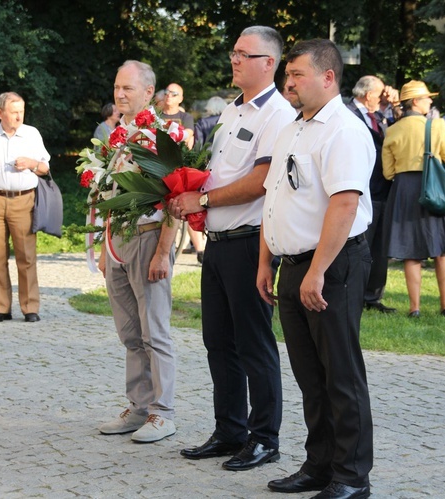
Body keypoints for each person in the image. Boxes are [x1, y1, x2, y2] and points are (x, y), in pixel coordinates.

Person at [170, 26, 294, 472]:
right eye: (234, 52)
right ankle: (229, 430)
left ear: (269, 63)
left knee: (254, 344)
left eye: (245, 54)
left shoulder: (277, 115)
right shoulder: (230, 111)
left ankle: (265, 439)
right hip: (218, 244)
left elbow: (260, 181)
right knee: (218, 341)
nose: (235, 60)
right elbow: (215, 172)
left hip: (249, 242)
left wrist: (200, 200)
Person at [257, 38, 374, 499]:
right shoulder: (293, 127)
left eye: (297, 74)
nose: (288, 81)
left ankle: (351, 477)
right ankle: (319, 465)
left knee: (341, 374)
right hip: (294, 264)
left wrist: (317, 271)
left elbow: (345, 204)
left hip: (332, 264)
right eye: (288, 74)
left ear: (328, 77)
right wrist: (267, 261)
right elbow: (274, 197)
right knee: (309, 375)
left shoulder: (343, 129)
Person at [96, 60, 180, 443]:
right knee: (130, 332)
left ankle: (163, 412)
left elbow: (174, 199)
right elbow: (107, 196)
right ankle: (139, 406)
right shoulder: (117, 136)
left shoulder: (161, 135)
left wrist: (163, 252)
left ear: (149, 93)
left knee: (154, 332)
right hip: (118, 241)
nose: (119, 94)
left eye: (128, 88)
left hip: (149, 239)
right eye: (117, 87)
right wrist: (104, 245)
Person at [382, 81, 445, 318]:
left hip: (404, 191)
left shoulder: (393, 130)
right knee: (442, 250)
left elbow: (388, 172)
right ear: (416, 102)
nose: (431, 101)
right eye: (427, 98)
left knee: (411, 252)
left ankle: (414, 307)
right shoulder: (436, 125)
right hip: (434, 187)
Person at [0, 92, 50, 324]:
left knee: (26, 256)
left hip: (24, 201)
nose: (18, 116)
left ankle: (29, 307)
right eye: (14, 112)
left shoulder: (31, 134)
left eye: (21, 111)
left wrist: (31, 164)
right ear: (0, 113)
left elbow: (45, 167)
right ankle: (1, 308)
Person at [347, 75, 396, 314]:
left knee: (379, 246)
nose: (382, 99)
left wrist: (394, 106)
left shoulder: (380, 116)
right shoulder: (348, 114)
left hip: (383, 187)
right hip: (359, 188)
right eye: (380, 95)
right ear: (368, 95)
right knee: (361, 244)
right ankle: (355, 294)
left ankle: (373, 296)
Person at [187, 95, 229, 263]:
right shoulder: (229, 120)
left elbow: (198, 146)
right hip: (225, 168)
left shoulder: (203, 123)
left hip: (206, 166)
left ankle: (201, 245)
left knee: (201, 204)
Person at [161, 83, 195, 149]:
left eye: (174, 94)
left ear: (180, 99)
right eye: (166, 92)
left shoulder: (186, 117)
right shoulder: (155, 115)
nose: (169, 95)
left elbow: (187, 136)